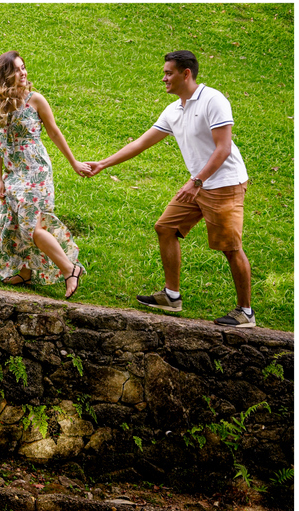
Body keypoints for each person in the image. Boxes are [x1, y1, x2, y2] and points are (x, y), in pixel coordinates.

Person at [86, 51, 254, 327]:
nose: (163, 78)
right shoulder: (174, 110)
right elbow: (141, 143)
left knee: (230, 248)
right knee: (165, 227)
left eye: (168, 73)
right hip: (197, 184)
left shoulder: (213, 100)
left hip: (224, 184)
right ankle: (171, 296)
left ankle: (245, 312)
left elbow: (223, 148)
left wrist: (196, 181)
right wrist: (103, 164)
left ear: (186, 74)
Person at [0, 51, 90, 300]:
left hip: (36, 171)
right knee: (15, 222)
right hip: (14, 174)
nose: (23, 73)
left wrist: (74, 162)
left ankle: (70, 269)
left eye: (23, 67)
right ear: (5, 75)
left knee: (32, 227)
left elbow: (54, 133)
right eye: (17, 69)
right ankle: (25, 272)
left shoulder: (35, 100)